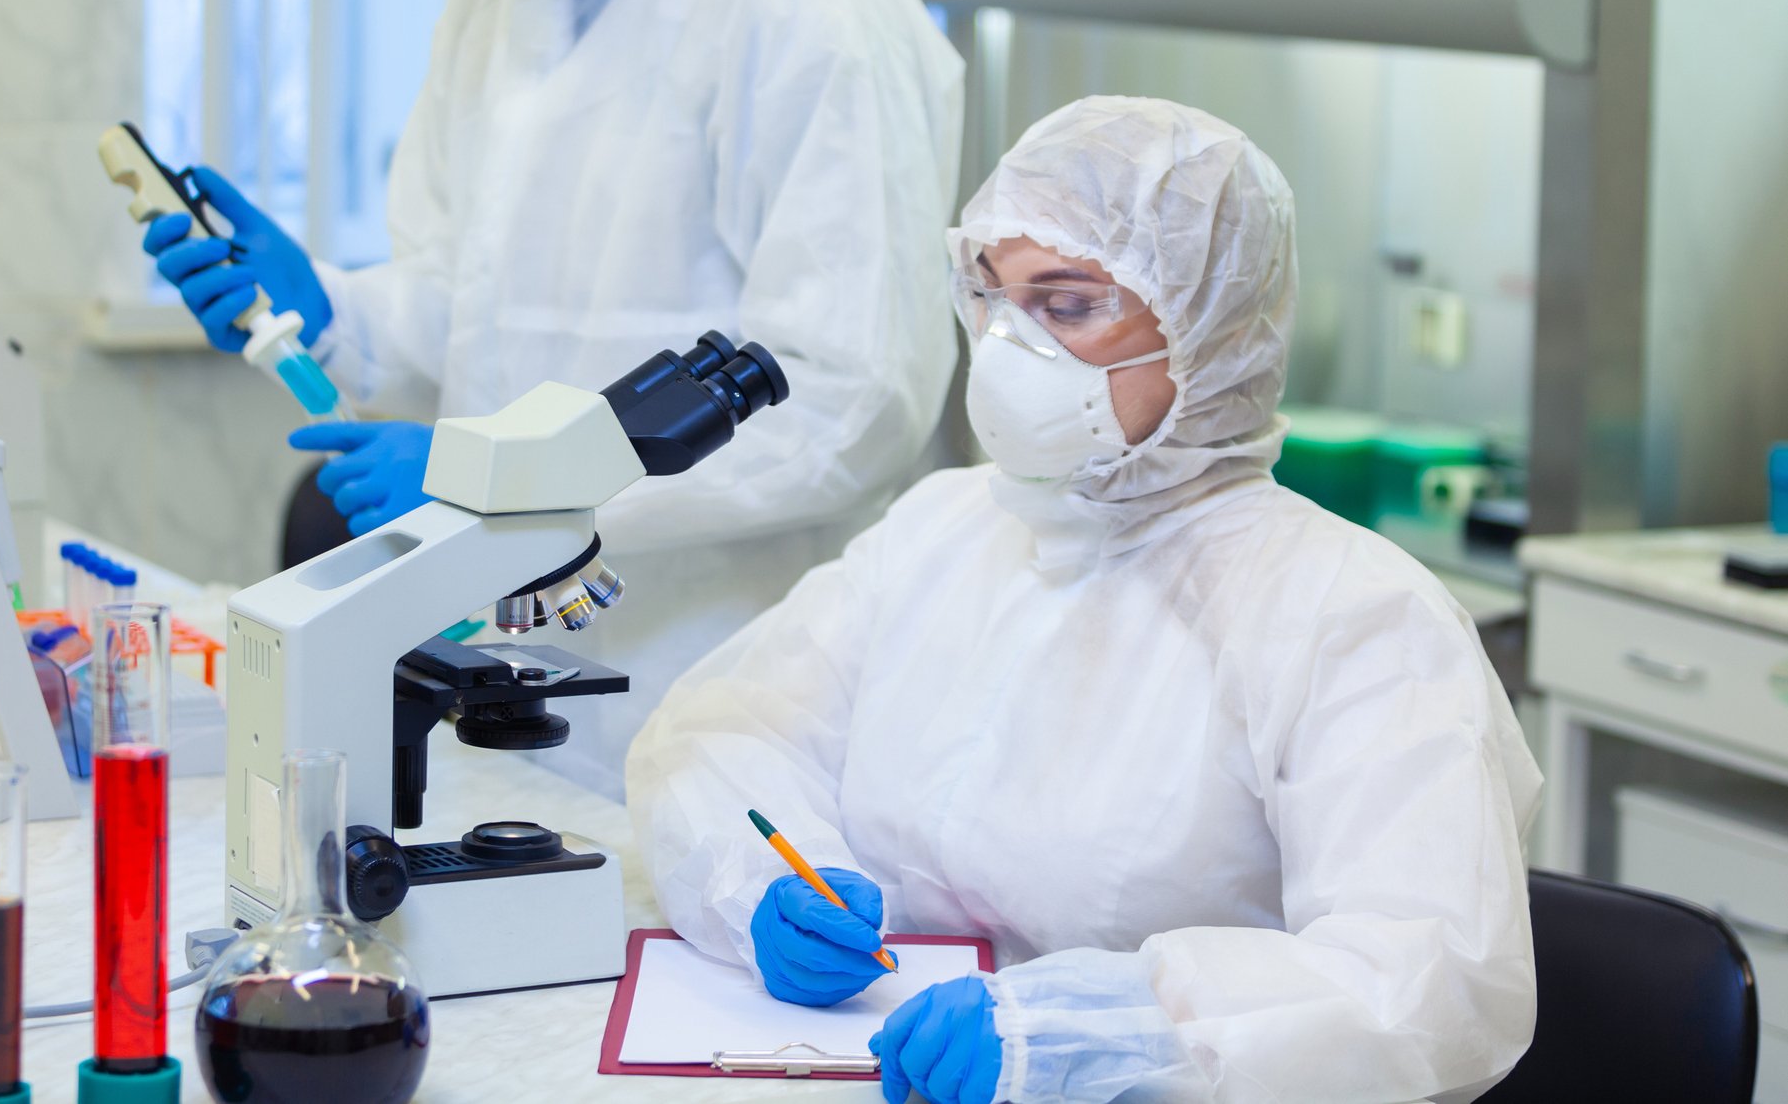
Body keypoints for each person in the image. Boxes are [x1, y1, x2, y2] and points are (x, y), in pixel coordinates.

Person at [626, 96, 1542, 1104]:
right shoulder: (945, 528)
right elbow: (725, 733)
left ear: (1210, 327)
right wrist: (758, 881)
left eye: (1066, 306)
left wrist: (1092, 1036)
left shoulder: (1353, 617)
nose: (1013, 347)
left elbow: (1425, 984)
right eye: (997, 297)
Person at [142, 0, 963, 796]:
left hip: (721, 682)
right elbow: (467, 298)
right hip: (512, 673)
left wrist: (508, 484)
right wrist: (329, 311)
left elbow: (850, 400)